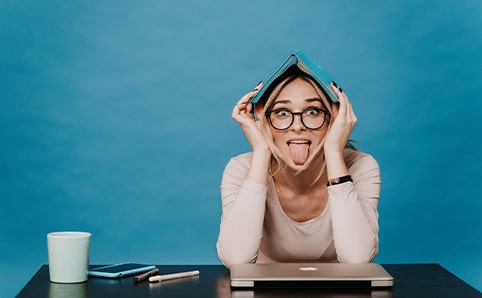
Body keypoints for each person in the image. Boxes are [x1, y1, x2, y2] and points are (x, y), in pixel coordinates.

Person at [216, 67, 380, 268]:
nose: (297, 126)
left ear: (333, 119)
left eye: (312, 112)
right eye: (282, 112)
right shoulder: (241, 169)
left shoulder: (360, 166)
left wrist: (334, 152)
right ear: (266, 121)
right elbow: (236, 258)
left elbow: (358, 259)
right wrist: (261, 151)